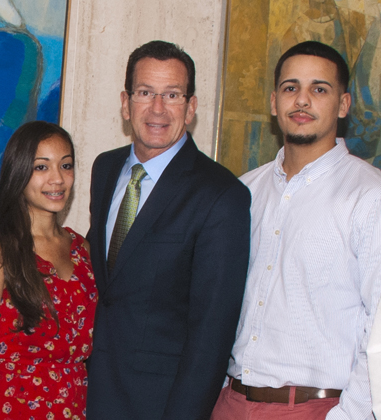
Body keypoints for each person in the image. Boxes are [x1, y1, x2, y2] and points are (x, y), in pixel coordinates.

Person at [211, 41, 381, 420]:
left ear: (343, 104)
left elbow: (380, 327)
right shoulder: (243, 193)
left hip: (318, 408)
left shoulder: (370, 196)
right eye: (291, 88)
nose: (302, 100)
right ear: (274, 103)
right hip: (230, 402)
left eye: (319, 89)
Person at [86, 40, 251, 420]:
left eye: (172, 95)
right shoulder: (105, 169)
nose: (157, 109)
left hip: (161, 405)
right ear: (126, 103)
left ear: (190, 108)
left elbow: (212, 334)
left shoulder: (221, 195)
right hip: (92, 393)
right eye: (146, 93)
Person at [0, 121, 97, 420]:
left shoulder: (82, 250)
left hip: (75, 407)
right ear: (19, 172)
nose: (57, 179)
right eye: (41, 167)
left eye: (66, 165)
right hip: (14, 408)